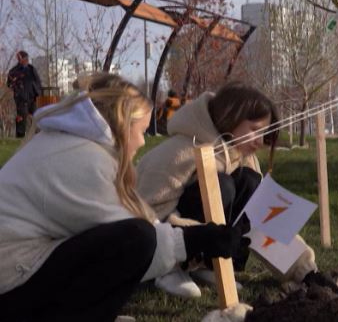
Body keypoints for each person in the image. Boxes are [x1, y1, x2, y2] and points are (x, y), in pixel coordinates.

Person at [0, 73, 243, 322]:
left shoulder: (71, 145)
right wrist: (195, 241)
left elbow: (120, 218)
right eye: (141, 131)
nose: (141, 141)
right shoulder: (82, 159)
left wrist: (193, 238)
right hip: (12, 287)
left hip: (15, 273)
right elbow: (127, 235)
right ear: (121, 123)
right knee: (137, 241)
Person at [137, 83, 319, 298]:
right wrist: (179, 249)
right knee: (222, 185)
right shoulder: (178, 151)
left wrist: (303, 269)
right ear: (231, 118)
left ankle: (212, 265)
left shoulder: (244, 157)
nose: (260, 142)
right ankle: (171, 270)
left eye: (265, 133)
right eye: (254, 131)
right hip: (164, 248)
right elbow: (148, 213)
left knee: (251, 183)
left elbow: (266, 216)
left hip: (204, 242)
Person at [6, 51, 42, 138]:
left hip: (32, 98)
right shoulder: (13, 71)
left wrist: (37, 92)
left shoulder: (31, 69)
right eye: (23, 59)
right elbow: (9, 84)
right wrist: (17, 89)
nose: (26, 60)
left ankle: (38, 136)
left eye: (26, 58)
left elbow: (38, 82)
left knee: (35, 117)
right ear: (19, 59)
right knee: (21, 118)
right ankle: (20, 137)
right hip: (21, 99)